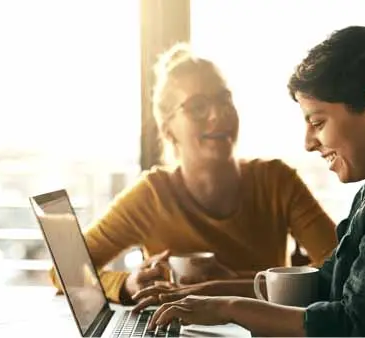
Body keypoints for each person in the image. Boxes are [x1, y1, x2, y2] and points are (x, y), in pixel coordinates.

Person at [140, 26, 365, 337]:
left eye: (317, 122)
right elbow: (324, 283)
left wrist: (229, 309)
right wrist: (203, 294)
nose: (308, 142)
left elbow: (354, 325)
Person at [48, 43, 338, 305]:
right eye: (198, 107)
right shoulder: (151, 196)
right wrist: (126, 285)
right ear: (168, 128)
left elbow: (342, 267)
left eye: (224, 100)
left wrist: (226, 283)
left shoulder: (276, 181)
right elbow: (65, 269)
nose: (218, 114)